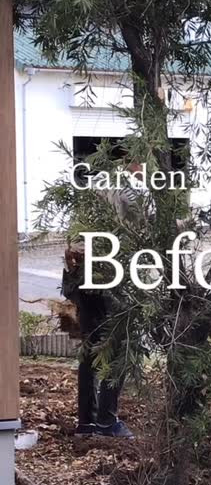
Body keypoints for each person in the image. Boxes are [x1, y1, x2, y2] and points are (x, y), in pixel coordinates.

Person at [61, 164, 147, 438]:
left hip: (81, 281)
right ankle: (106, 423)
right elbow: (148, 219)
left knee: (90, 351)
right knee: (117, 348)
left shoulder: (93, 189)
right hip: (106, 282)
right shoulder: (125, 187)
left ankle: (87, 423)